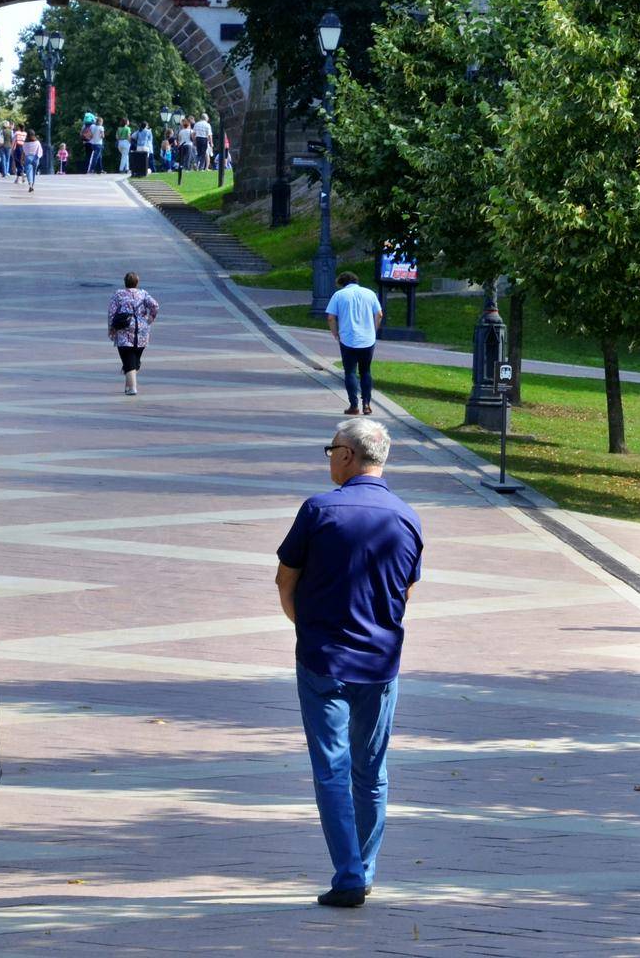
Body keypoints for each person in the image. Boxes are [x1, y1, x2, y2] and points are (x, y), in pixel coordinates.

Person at [275, 417, 423, 908]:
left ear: (347, 456)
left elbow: (285, 580)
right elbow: (405, 589)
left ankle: (349, 875)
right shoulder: (406, 517)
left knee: (332, 769)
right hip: (381, 662)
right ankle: (364, 868)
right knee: (371, 770)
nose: (329, 458)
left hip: (323, 658)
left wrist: (307, 627)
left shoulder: (319, 510)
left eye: (331, 449)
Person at [325, 271, 383, 416]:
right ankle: (367, 404)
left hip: (348, 339)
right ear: (356, 281)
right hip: (368, 339)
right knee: (366, 371)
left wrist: (335, 333)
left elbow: (331, 318)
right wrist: (373, 330)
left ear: (342, 283)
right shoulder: (370, 293)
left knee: (350, 372)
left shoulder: (339, 295)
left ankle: (353, 405)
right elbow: (380, 314)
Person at [106, 272, 159, 395]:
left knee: (129, 360)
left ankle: (133, 388)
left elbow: (111, 313)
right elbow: (155, 305)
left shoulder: (118, 295)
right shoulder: (143, 294)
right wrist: (151, 317)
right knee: (134, 359)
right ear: (137, 283)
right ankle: (127, 386)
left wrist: (111, 328)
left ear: (125, 282)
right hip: (142, 330)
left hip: (125, 330)